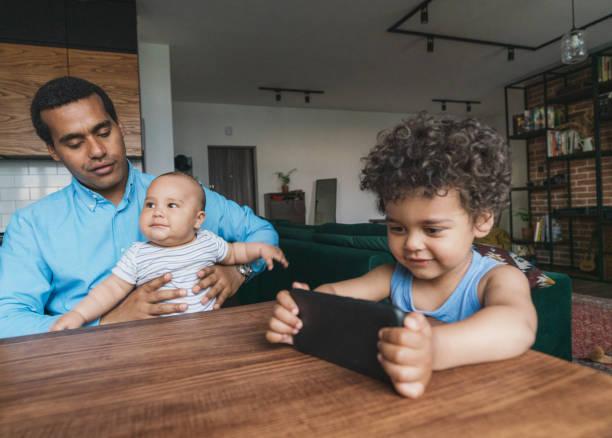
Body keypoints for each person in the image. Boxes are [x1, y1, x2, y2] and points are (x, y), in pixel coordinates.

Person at [266, 113, 537, 398]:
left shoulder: (497, 278)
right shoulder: (391, 274)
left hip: (480, 402)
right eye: (397, 227)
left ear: (481, 220)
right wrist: (302, 317)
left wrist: (432, 349)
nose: (412, 244)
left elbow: (518, 326)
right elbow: (333, 294)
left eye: (432, 229)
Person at [0, 76, 278, 338]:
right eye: (74, 143)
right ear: (53, 150)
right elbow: (7, 321)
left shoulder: (182, 193)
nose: (97, 151)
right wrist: (105, 321)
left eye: (104, 132)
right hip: (91, 360)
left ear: (120, 128)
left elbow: (262, 231)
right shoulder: (31, 224)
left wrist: (239, 272)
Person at [50, 172, 288, 330]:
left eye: (171, 205)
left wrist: (262, 250)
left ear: (198, 219)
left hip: (209, 331)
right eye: (150, 204)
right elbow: (108, 290)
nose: (158, 212)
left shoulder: (207, 242)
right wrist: (79, 316)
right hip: (156, 338)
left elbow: (237, 252)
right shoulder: (138, 254)